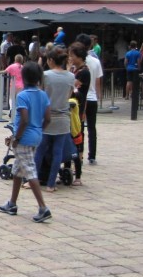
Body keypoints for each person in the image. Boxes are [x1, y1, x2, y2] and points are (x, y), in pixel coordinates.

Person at [0, 61, 52, 223]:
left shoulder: (22, 95)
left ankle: (43, 207)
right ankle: (12, 203)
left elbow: (24, 120)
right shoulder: (43, 95)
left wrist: (17, 138)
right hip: (37, 136)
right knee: (17, 170)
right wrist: (39, 130)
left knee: (29, 171)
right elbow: (48, 118)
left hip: (24, 137)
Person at [36, 46, 76, 192]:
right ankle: (51, 184)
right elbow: (69, 95)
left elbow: (40, 94)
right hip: (63, 117)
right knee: (57, 152)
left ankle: (32, 180)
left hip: (47, 117)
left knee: (40, 150)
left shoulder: (45, 75)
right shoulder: (70, 76)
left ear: (51, 60)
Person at [75, 34, 102, 165]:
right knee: (92, 128)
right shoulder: (96, 61)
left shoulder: (77, 63)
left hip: (80, 98)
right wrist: (98, 95)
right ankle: (92, 155)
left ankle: (79, 154)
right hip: (92, 97)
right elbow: (98, 81)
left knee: (79, 128)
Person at [68, 42, 90, 185]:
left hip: (76, 109)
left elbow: (71, 86)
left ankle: (78, 172)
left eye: (72, 55)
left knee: (76, 139)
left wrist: (67, 71)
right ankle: (69, 169)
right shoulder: (77, 70)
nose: (70, 58)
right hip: (73, 109)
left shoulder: (83, 72)